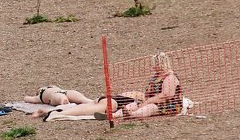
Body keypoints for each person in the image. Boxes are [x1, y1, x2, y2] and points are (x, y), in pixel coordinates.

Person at [43, 52, 183, 122]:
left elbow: (166, 95)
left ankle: (126, 115)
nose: (153, 67)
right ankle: (114, 115)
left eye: (155, 64)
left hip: (164, 105)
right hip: (121, 100)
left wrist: (146, 101)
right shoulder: (158, 76)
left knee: (148, 108)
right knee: (131, 106)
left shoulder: (169, 77)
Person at [23, 86, 95, 107]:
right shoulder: (53, 87)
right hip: (65, 91)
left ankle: (65, 102)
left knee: (60, 98)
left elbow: (28, 99)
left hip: (53, 96)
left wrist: (26, 98)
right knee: (82, 98)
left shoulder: (40, 96)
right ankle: (92, 102)